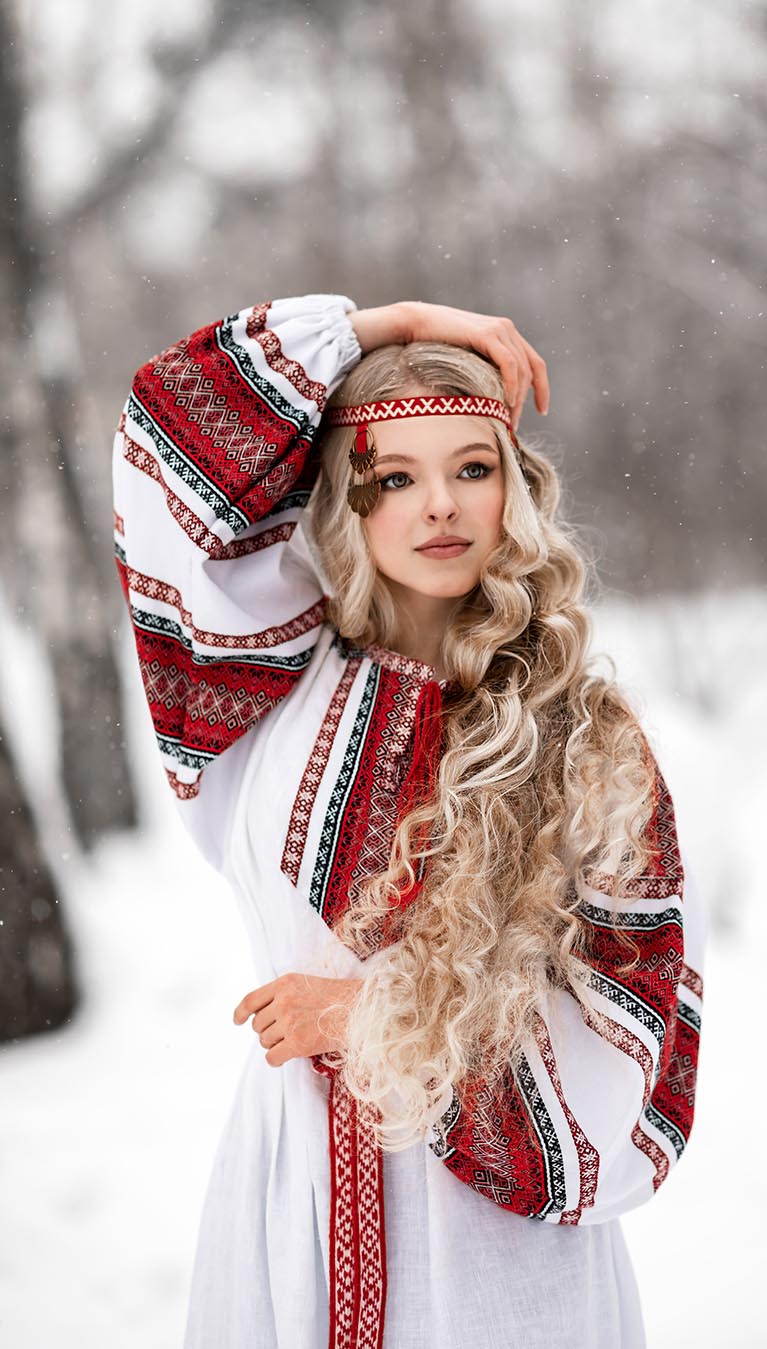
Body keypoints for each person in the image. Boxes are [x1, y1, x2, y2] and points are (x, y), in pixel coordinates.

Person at [111, 291, 707, 1349]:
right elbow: (163, 435)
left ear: (513, 489)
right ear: (348, 500)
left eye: (472, 468)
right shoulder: (263, 690)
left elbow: (641, 1031)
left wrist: (368, 1021)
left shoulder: (585, 735)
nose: (440, 505)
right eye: (395, 476)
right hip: (287, 1224)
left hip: (496, 1263)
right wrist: (384, 323)